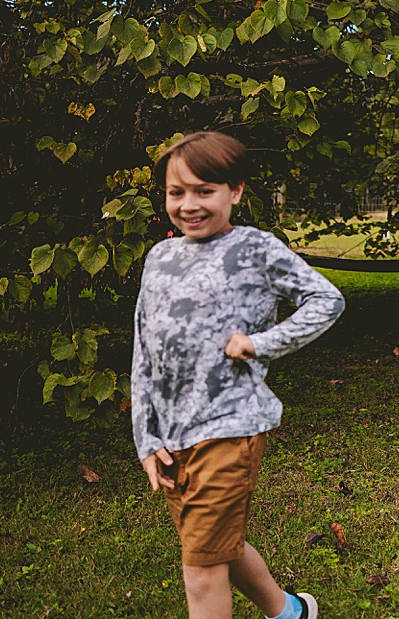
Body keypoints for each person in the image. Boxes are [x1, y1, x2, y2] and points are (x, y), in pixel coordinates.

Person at [131, 132, 345, 619]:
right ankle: (290, 611)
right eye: (176, 192)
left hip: (231, 426)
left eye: (204, 190)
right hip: (174, 434)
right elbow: (143, 347)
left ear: (236, 191)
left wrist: (259, 343)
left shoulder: (255, 249)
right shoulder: (159, 259)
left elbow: (326, 300)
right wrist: (147, 436)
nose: (189, 204)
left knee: (201, 566)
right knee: (215, 545)